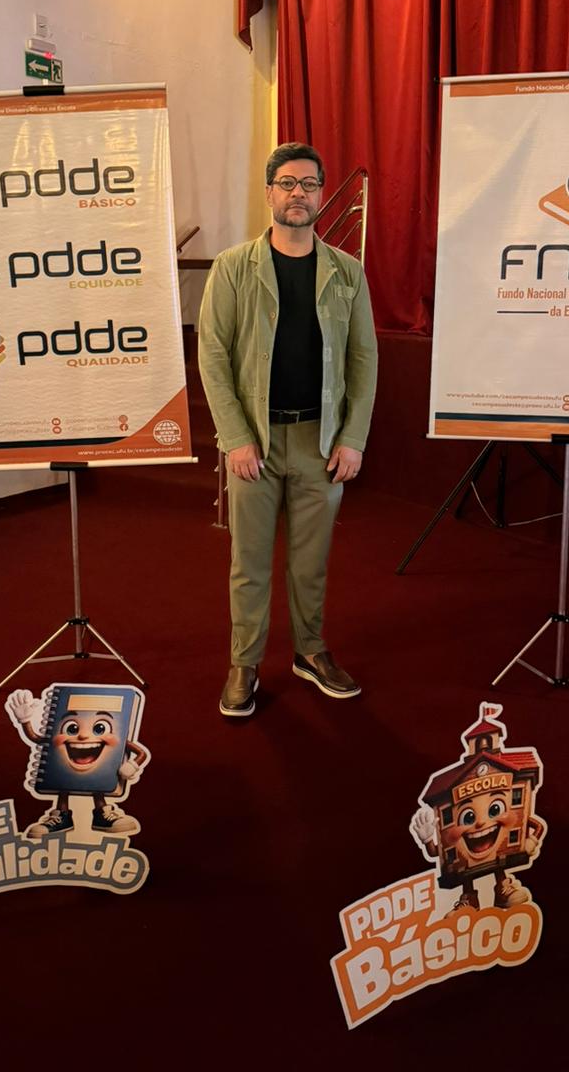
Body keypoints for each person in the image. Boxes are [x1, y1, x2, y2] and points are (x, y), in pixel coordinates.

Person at [198, 142, 378, 717]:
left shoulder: (347, 272)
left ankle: (310, 651)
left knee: (310, 562)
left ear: (321, 195)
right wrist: (235, 437)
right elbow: (212, 356)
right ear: (269, 193)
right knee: (248, 563)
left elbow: (364, 359)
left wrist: (352, 438)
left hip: (319, 442)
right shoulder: (233, 267)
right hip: (254, 439)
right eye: (287, 183)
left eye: (309, 184)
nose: (298, 194)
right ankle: (245, 662)